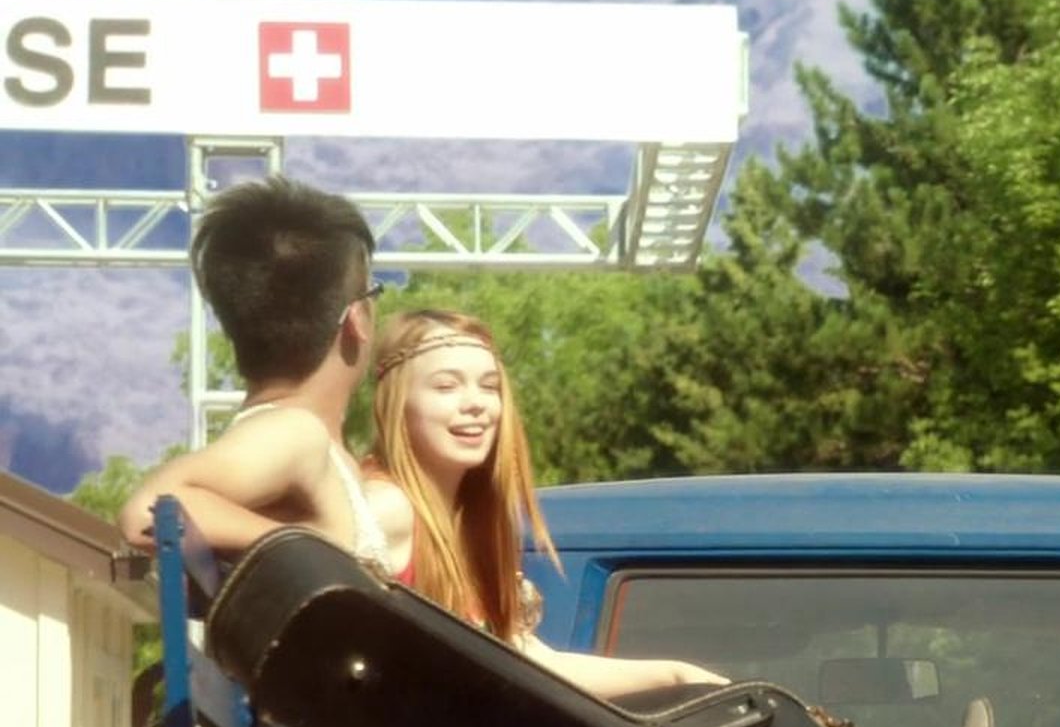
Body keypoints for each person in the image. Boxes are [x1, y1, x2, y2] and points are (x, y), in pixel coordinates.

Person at [363, 308, 724, 698]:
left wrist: (676, 676)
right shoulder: (387, 508)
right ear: (395, 402)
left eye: (489, 386)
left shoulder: (469, 523)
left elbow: (524, 660)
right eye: (446, 386)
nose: (475, 403)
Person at [118, 176, 385, 565]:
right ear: (357, 317)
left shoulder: (301, 439)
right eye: (374, 291)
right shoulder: (293, 433)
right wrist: (312, 549)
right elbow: (149, 512)